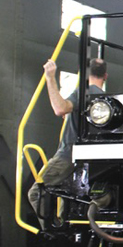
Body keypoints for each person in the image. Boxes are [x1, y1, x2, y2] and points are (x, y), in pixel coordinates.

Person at [28, 57, 107, 228]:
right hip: (90, 161)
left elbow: (60, 108)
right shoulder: (104, 99)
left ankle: (54, 234)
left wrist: (50, 77)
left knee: (36, 193)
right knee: (70, 199)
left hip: (68, 155)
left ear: (85, 74)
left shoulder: (84, 92)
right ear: (105, 76)